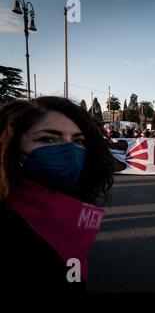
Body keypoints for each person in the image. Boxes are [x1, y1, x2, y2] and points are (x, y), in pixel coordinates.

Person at [0, 97, 114, 293]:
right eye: (48, 139)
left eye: (78, 141)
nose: (70, 152)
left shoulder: (71, 207)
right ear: (11, 146)